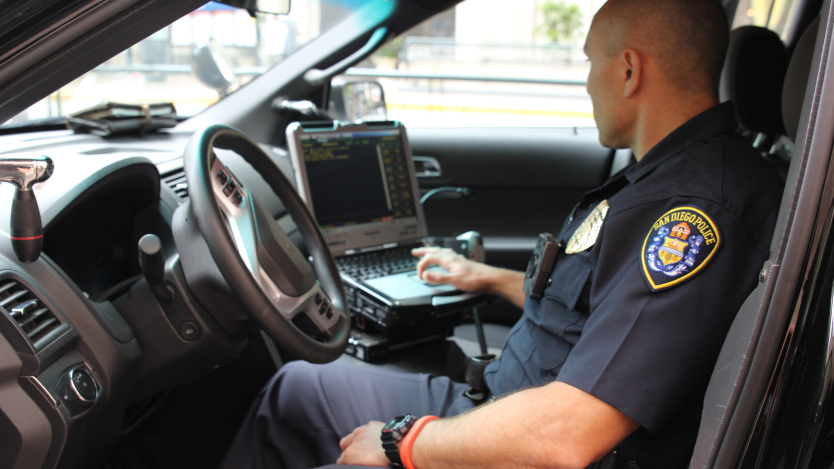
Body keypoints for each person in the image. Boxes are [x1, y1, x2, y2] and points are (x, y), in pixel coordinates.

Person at [218, 0, 784, 467]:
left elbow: (569, 434)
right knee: (294, 388)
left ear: (629, 70)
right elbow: (600, 310)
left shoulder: (694, 210)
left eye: (590, 63)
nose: (588, 84)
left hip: (530, 438)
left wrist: (403, 443)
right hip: (502, 402)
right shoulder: (668, 176)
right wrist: (487, 277)